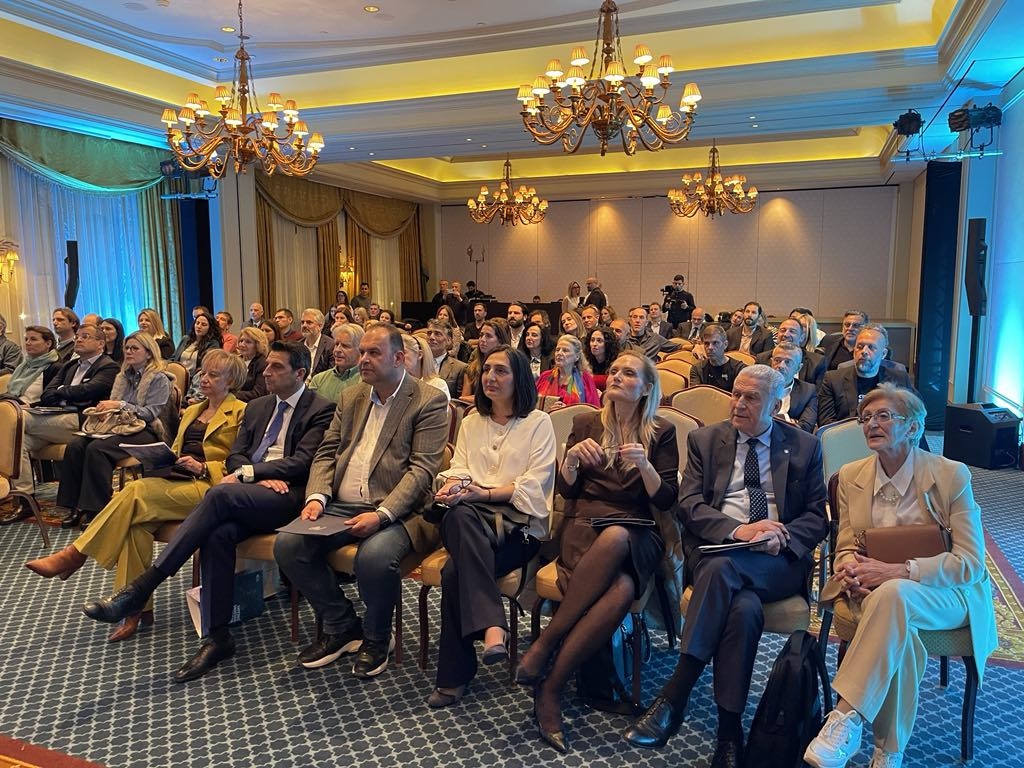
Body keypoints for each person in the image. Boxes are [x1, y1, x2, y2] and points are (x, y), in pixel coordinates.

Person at [76, 342, 336, 680]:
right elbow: (236, 455)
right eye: (267, 366)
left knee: (218, 494)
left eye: (277, 367)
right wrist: (249, 474)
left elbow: (302, 462)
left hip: (288, 495)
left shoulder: (321, 409)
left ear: (300, 373)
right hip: (248, 490)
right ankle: (218, 636)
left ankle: (142, 587)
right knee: (218, 534)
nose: (267, 373)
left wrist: (251, 474)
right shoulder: (258, 407)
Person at [624, 365, 828, 767]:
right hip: (720, 547)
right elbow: (689, 505)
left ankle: (675, 695)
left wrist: (782, 536)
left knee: (722, 572)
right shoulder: (705, 440)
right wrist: (740, 531)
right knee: (742, 608)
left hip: (776, 559)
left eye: (751, 398)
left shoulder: (804, 446)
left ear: (776, 405)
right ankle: (729, 735)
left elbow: (817, 515)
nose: (738, 404)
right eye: (736, 394)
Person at [803, 384, 997, 768]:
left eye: (884, 416)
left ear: (913, 426)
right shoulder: (852, 476)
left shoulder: (950, 475)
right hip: (878, 594)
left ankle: (845, 715)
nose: (871, 424)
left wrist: (899, 571)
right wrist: (849, 570)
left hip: (948, 593)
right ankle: (888, 751)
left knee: (894, 593)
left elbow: (971, 563)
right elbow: (846, 545)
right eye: (865, 418)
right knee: (897, 621)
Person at [517, 351, 679, 752]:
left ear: (647, 388)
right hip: (585, 525)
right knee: (622, 588)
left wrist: (645, 466)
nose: (618, 377)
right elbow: (567, 490)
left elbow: (665, 500)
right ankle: (552, 687)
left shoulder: (662, 431)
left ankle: (546, 647)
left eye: (629, 373)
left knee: (619, 536)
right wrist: (570, 460)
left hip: (638, 529)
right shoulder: (586, 423)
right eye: (616, 371)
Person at [26, 350, 247, 641]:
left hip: (212, 488)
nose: (204, 379)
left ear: (230, 380)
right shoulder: (193, 411)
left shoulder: (242, 412)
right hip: (177, 480)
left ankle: (75, 555)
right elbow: (176, 450)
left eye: (213, 375)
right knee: (135, 526)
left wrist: (205, 466)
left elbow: (243, 462)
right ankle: (136, 610)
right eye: (203, 372)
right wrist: (162, 458)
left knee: (135, 490)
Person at [274, 324, 449, 679]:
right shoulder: (352, 396)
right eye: (363, 352)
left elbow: (421, 471)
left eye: (373, 353)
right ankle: (343, 625)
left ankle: (377, 638)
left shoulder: (428, 401)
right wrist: (317, 497)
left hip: (401, 511)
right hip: (341, 505)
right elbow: (326, 452)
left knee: (374, 557)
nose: (363, 359)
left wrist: (382, 515)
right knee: (288, 545)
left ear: (398, 359)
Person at [428, 346, 557, 707]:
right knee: (458, 514)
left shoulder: (538, 423)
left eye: (501, 371)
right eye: (487, 370)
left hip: (518, 530)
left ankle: (455, 676)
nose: (490, 377)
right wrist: (455, 487)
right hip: (470, 522)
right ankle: (493, 627)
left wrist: (483, 492)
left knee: (454, 572)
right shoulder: (472, 422)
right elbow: (459, 468)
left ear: (519, 378)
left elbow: (536, 485)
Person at [54, 331, 175, 529]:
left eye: (134, 348)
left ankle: (97, 509)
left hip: (148, 431)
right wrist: (105, 412)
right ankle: (74, 506)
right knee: (76, 445)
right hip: (120, 426)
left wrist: (119, 405)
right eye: (127, 348)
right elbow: (116, 408)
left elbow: (150, 413)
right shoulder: (123, 376)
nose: (129, 352)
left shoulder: (159, 378)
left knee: (97, 449)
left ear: (148, 353)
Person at [3, 324, 119, 525]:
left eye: (85, 336)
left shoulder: (108, 366)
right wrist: (65, 393)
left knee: (15, 419)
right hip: (54, 419)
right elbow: (47, 394)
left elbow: (89, 391)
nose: (78, 339)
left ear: (101, 343)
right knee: (19, 441)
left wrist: (61, 391)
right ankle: (25, 499)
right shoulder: (70, 366)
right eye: (78, 336)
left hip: (83, 420)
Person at [818, 325, 914, 427]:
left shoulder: (900, 379)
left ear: (883, 354)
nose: (864, 351)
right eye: (860, 347)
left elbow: (912, 417)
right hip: (845, 435)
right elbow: (826, 423)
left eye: (871, 347)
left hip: (885, 435)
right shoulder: (833, 379)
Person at [756, 316, 826, 386]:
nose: (786, 334)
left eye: (792, 331)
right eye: (783, 330)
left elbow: (817, 391)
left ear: (801, 337)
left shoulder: (817, 362)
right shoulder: (762, 359)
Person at [536, 334, 600, 409]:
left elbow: (594, 411)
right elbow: (532, 403)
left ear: (577, 357)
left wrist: (566, 411)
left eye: (565, 350)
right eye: (557, 350)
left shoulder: (585, 379)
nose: (559, 353)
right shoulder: (545, 376)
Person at [4, 326, 60, 405]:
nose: (27, 343)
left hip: (33, 409)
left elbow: (53, 399)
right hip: (12, 405)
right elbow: (10, 393)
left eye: (33, 339)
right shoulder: (24, 365)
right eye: (26, 339)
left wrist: (31, 406)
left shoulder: (55, 368)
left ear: (48, 343)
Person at [769, 342, 817, 432]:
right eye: (777, 360)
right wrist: (788, 420)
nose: (781, 366)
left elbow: (806, 427)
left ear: (798, 368)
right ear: (771, 362)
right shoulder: (757, 385)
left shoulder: (808, 391)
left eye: (788, 362)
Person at [309, 323, 363, 402]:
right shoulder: (318, 380)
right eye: (336, 344)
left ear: (360, 350)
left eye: (345, 346)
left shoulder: (367, 382)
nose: (337, 350)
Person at [460, 319, 511, 400]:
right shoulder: (471, 368)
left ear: (500, 341)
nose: (482, 340)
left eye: (488, 336)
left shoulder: (509, 365)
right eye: (481, 335)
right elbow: (463, 398)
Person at [690, 325, 746, 392]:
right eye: (706, 343)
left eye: (715, 343)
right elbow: (695, 395)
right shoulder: (697, 369)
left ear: (725, 344)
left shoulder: (740, 369)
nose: (710, 347)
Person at [424, 319, 467, 398]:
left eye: (437, 334)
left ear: (448, 341)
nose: (431, 337)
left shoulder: (460, 368)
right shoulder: (417, 362)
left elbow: (459, 401)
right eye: (429, 333)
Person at [171, 311, 223, 376]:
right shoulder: (186, 339)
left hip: (196, 378)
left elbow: (209, 365)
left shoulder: (213, 343)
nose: (199, 326)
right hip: (177, 375)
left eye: (203, 324)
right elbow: (174, 357)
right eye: (197, 323)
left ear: (210, 328)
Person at [403, 332, 450, 402]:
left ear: (419, 355)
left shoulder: (437, 385)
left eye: (403, 352)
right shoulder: (396, 383)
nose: (397, 357)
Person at [234, 325, 269, 402]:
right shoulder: (235, 361)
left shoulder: (262, 363)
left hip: (251, 404)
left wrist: (231, 395)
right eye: (241, 341)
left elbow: (259, 394)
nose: (242, 344)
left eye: (248, 342)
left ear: (258, 345)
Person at [299, 308, 335, 381]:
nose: (304, 325)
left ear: (320, 326)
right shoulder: (298, 345)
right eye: (302, 322)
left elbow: (331, 375)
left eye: (309, 322)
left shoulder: (331, 345)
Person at [583, 325, 620, 391]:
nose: (594, 344)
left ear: (608, 344)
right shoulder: (585, 361)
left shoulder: (617, 362)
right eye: (592, 340)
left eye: (599, 341)